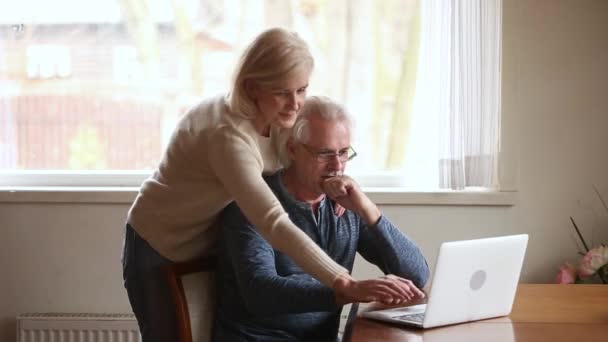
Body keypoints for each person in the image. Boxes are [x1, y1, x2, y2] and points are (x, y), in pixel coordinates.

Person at [122, 28, 413, 342]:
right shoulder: (228, 137)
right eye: (283, 92)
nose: (295, 103)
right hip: (160, 241)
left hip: (209, 231)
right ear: (252, 87)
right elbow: (273, 222)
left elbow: (313, 144)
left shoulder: (280, 116)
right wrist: (343, 283)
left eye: (302, 89)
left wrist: (335, 186)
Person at [213, 96, 430, 341]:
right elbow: (260, 292)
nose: (337, 165)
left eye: (344, 153)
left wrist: (369, 211)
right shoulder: (252, 205)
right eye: (324, 153)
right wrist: (349, 290)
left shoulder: (346, 204)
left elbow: (417, 276)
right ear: (292, 149)